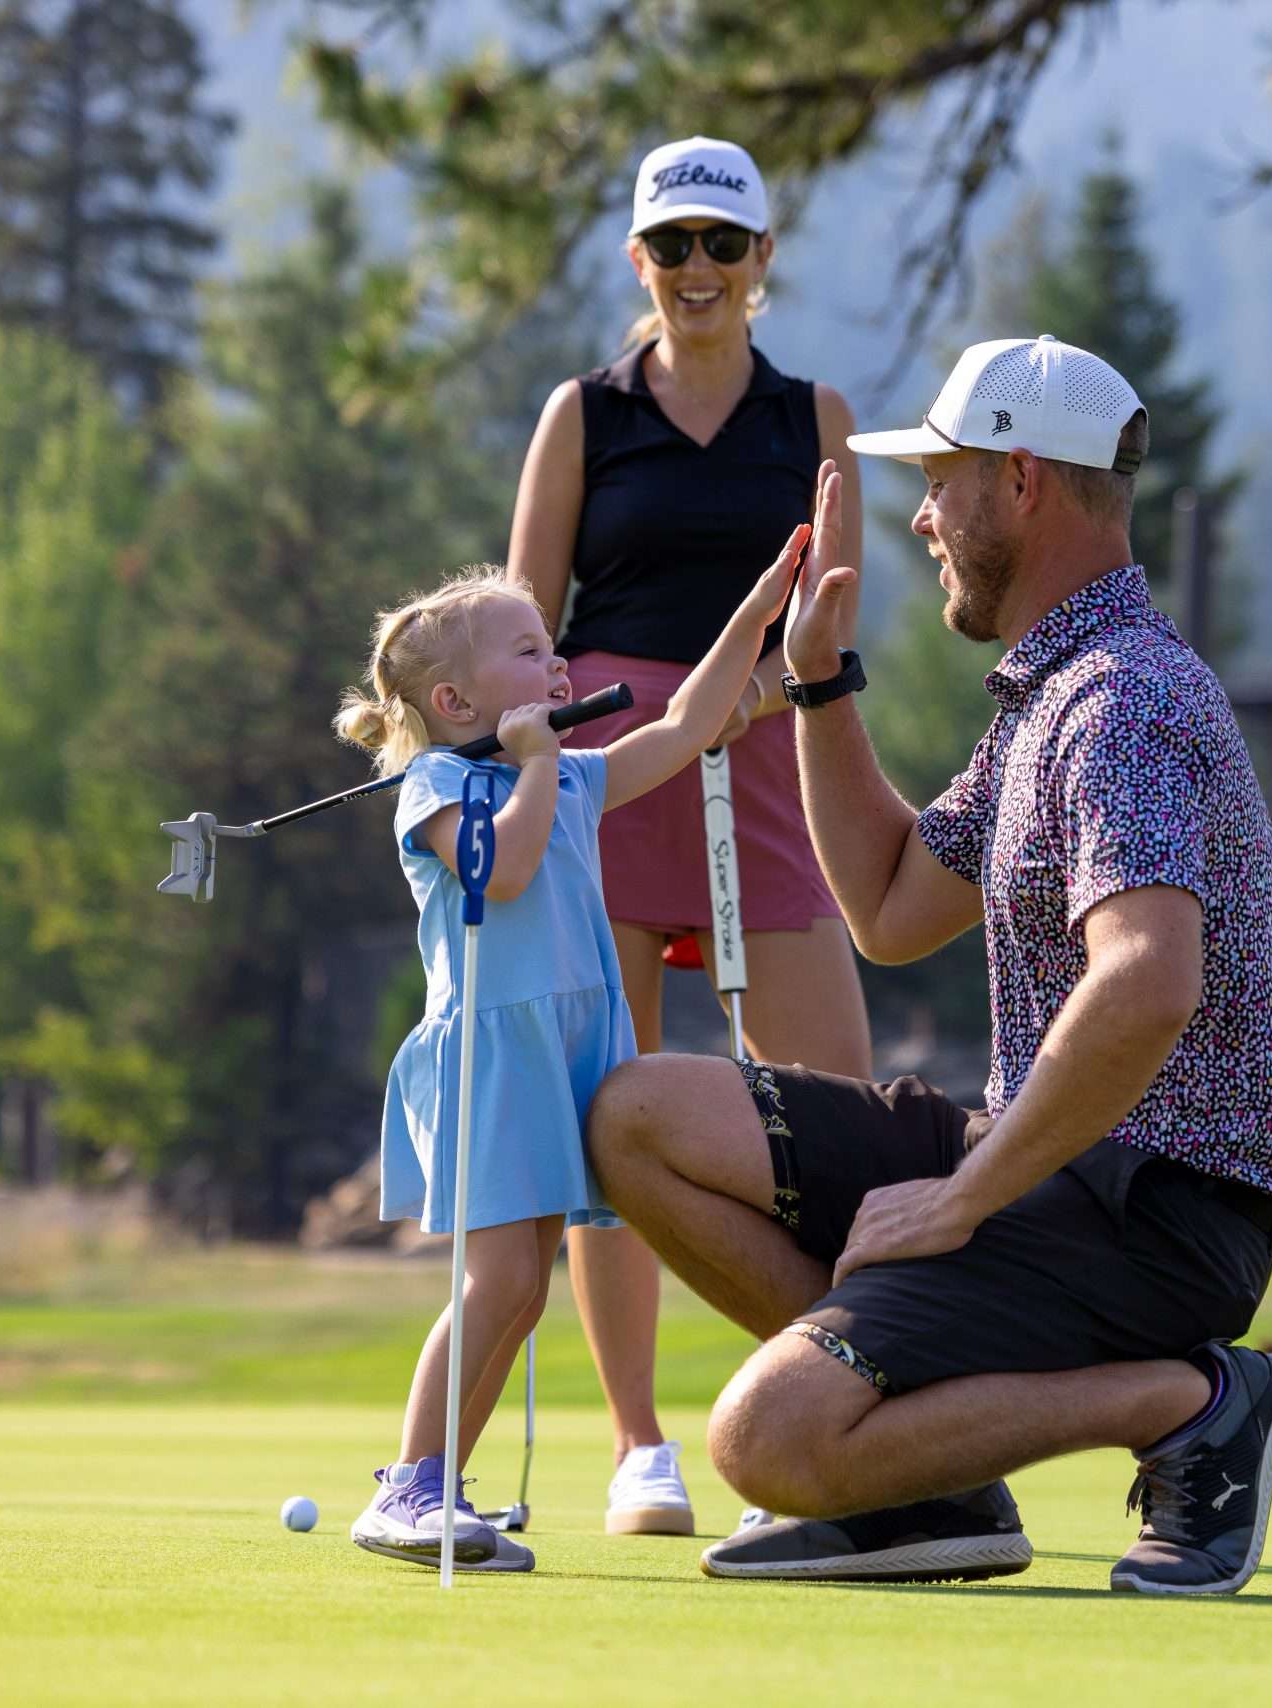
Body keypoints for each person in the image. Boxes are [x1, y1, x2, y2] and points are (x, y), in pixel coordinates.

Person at [587, 336, 1272, 1596]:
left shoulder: (1118, 700)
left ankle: (1197, 1399)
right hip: (1047, 1164)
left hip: (1156, 1207)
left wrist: (963, 1200)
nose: (920, 515)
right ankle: (919, 1481)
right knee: (640, 1114)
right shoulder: (1050, 693)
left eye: (940, 477)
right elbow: (885, 905)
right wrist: (818, 683)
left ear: (1019, 482)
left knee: (766, 1439)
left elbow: (1147, 982)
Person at [505, 135, 873, 1537]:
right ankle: (638, 1445)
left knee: (833, 1112)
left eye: (727, 245)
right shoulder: (585, 416)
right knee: (619, 1107)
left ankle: (833, 1419)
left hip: (767, 770)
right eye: (675, 246)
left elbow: (835, 621)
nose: (700, 270)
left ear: (764, 261)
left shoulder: (814, 418)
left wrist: (753, 698)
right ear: (638, 262)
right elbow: (525, 622)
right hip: (608, 780)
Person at [330, 528, 804, 1573]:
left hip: (566, 1054)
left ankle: (437, 1481)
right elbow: (501, 871)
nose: (557, 667)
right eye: (528, 652)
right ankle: (410, 1483)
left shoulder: (570, 778)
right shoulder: (440, 794)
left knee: (524, 1287)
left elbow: (685, 725)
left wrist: (759, 605)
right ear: (455, 704)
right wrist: (541, 762)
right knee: (497, 1282)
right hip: (493, 1066)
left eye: (552, 649)